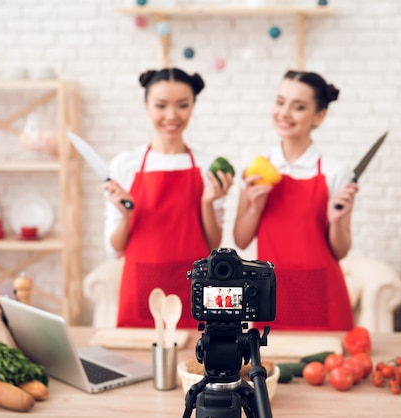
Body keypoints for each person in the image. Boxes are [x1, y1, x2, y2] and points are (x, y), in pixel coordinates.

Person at [104, 68, 234, 329]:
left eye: (182, 105)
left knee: (197, 365)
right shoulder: (124, 166)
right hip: (142, 287)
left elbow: (213, 245)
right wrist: (127, 216)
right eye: (161, 105)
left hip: (195, 286)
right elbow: (114, 248)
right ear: (146, 106)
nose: (172, 116)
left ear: (193, 107)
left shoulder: (208, 165)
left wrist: (208, 202)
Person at [233, 70, 357, 331]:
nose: (284, 113)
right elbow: (241, 240)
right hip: (272, 296)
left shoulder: (335, 171)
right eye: (280, 102)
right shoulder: (255, 168)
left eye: (298, 107)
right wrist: (256, 207)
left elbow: (341, 251)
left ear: (319, 116)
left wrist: (335, 221)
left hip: (322, 295)